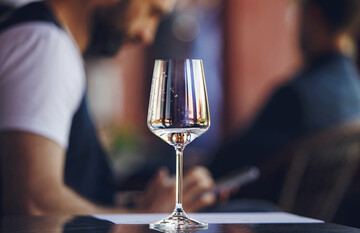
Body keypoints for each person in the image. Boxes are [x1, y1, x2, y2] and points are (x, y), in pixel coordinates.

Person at [0, 0, 216, 215]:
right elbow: (33, 203)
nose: (148, 36)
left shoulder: (47, 43)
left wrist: (135, 205)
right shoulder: (44, 45)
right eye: (152, 12)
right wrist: (143, 219)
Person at [210, 0, 360, 202]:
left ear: (312, 15)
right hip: (322, 219)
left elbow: (223, 168)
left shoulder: (295, 97)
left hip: (260, 220)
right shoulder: (354, 90)